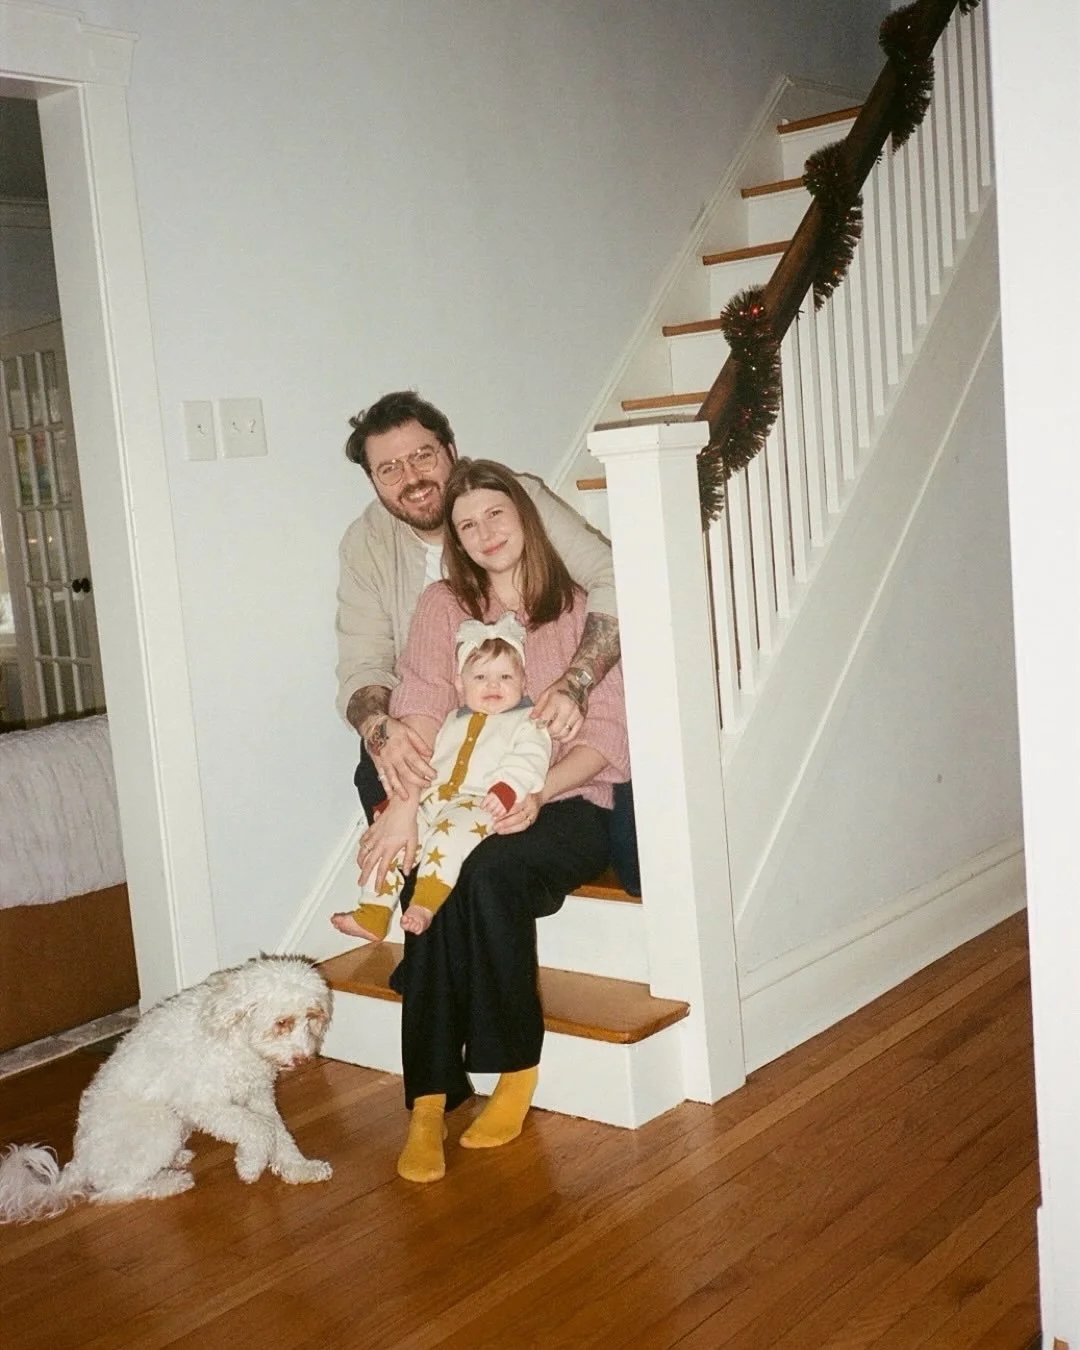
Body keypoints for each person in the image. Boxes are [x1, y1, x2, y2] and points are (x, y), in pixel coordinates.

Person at [356, 458, 630, 1183]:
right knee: (428, 873)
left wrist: (537, 791)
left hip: (569, 799)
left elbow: (608, 735)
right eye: (466, 524)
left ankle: (514, 1070)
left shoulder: (580, 607)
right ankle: (429, 1099)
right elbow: (419, 703)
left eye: (495, 515)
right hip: (461, 797)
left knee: (488, 873)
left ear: (525, 516)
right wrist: (405, 807)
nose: (484, 533)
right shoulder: (443, 604)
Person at [334, 391, 638, 894]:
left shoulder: (515, 500)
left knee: (634, 860)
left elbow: (612, 577)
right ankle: (416, 909)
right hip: (441, 726)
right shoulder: (367, 543)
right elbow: (364, 668)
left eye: (422, 456)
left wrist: (577, 680)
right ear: (372, 480)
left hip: (542, 725)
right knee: (380, 767)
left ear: (450, 450)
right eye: (389, 469)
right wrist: (381, 730)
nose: (411, 478)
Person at [329, 614, 551, 942]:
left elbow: (530, 759)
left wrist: (507, 788)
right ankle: (373, 911)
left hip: (482, 802)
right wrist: (397, 802)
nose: (493, 685)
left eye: (505, 676)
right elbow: (428, 759)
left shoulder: (527, 721)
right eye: (480, 677)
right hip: (435, 797)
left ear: (523, 682)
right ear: (460, 685)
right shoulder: (450, 720)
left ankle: (425, 904)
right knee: (391, 837)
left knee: (447, 838)